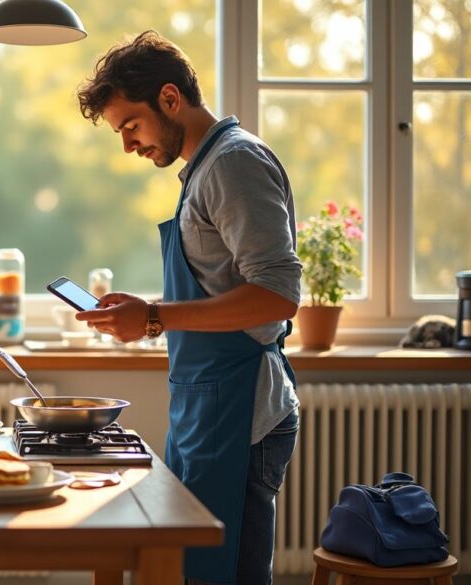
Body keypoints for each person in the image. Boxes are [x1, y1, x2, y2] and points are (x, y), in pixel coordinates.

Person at [76, 31, 302, 585]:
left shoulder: (233, 163)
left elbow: (278, 293)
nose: (128, 145)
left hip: (243, 413)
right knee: (198, 571)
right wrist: (147, 315)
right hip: (206, 406)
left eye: (131, 125)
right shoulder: (201, 168)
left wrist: (155, 317)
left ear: (170, 100)